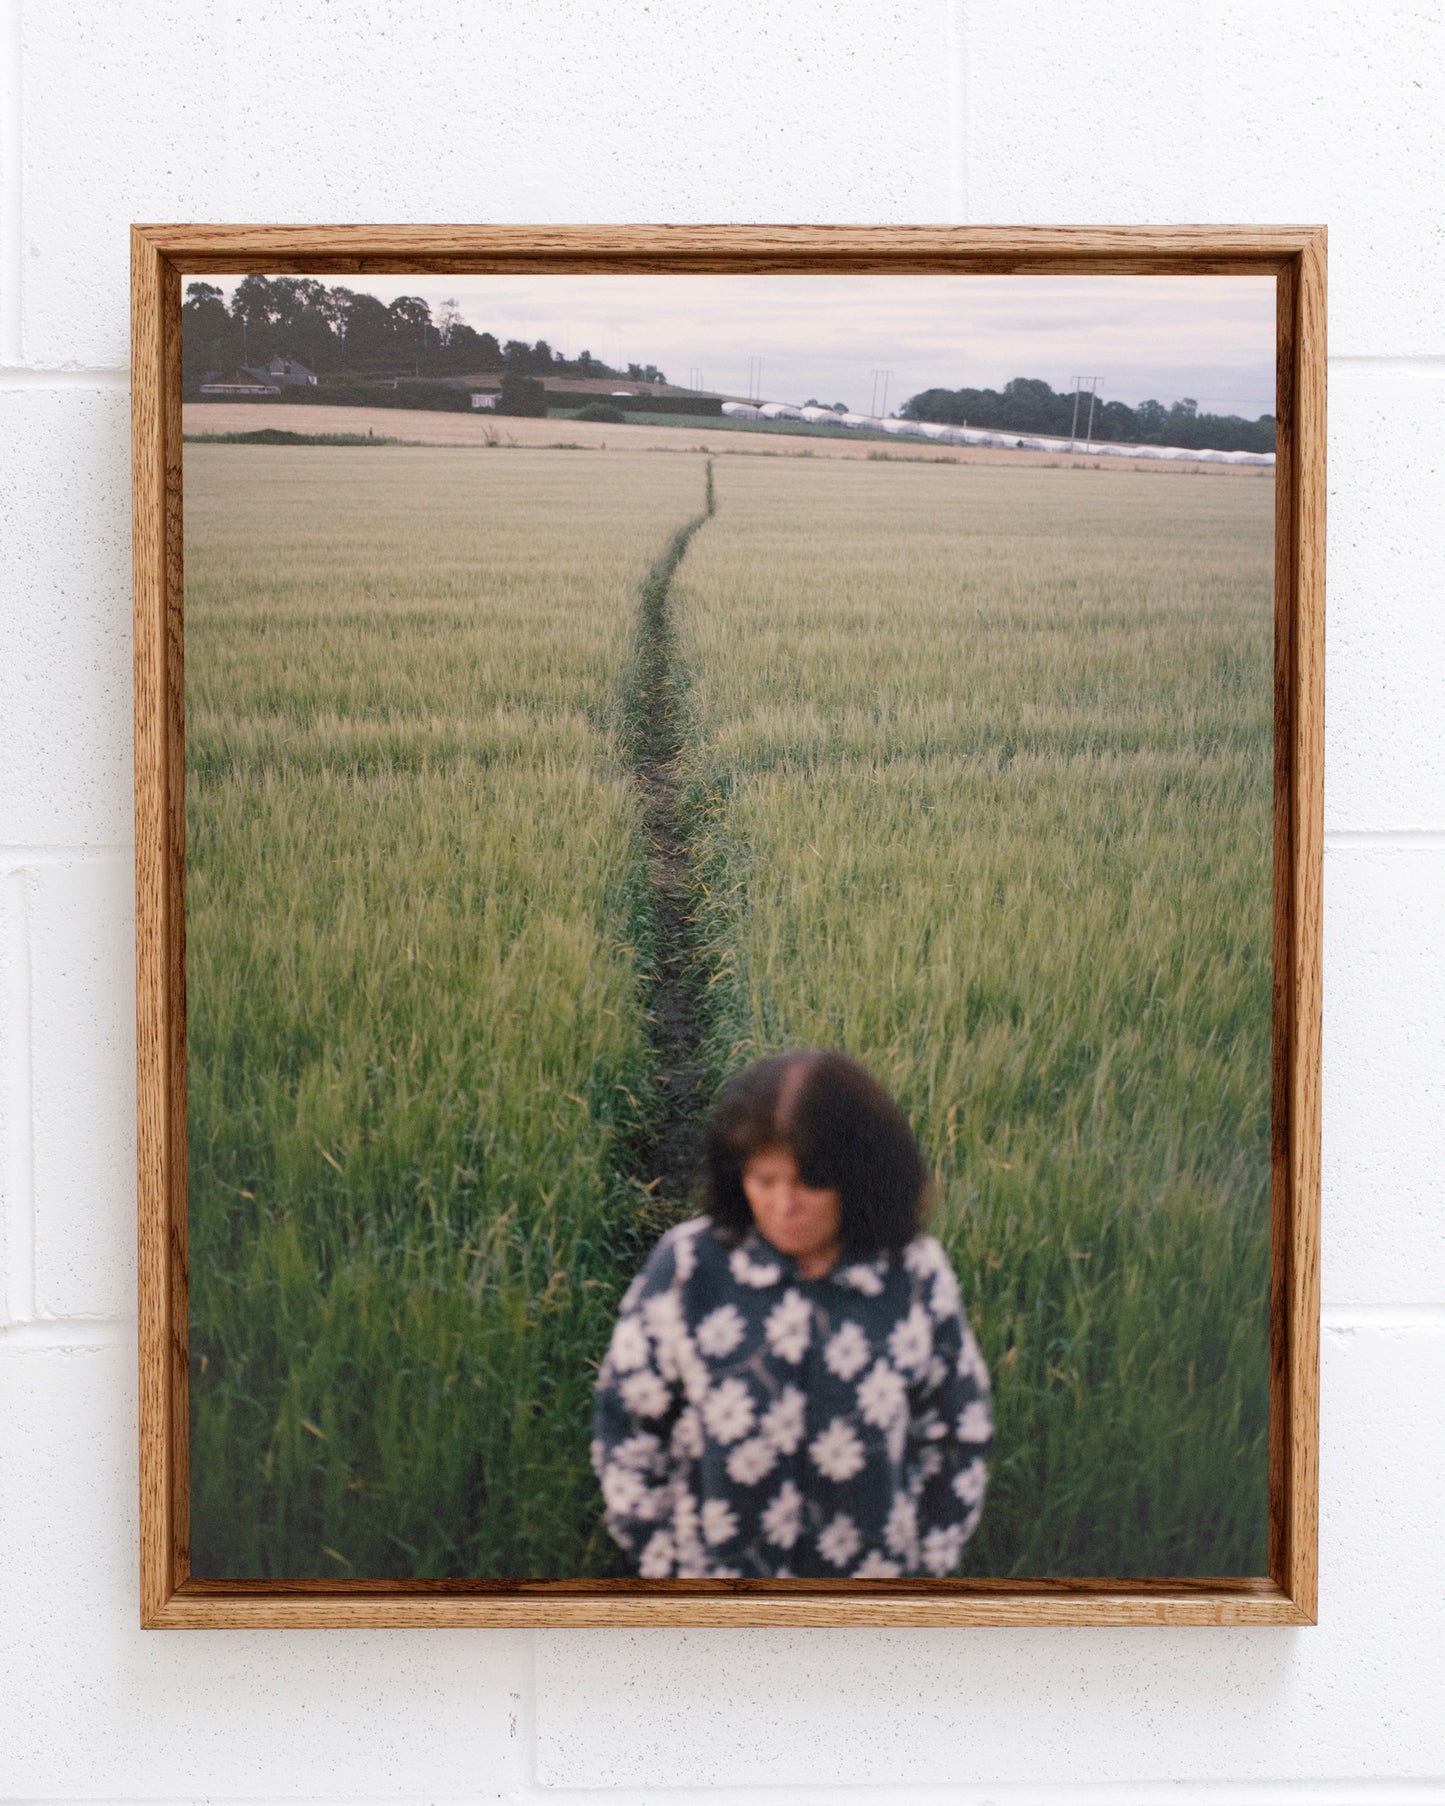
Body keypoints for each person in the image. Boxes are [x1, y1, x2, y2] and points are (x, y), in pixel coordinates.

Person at [591, 1047, 993, 1578]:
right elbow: (626, 1421)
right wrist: (663, 1561)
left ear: (859, 1174)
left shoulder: (914, 1273)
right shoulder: (689, 1266)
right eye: (764, 1180)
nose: (784, 1205)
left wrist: (925, 1567)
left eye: (809, 1182)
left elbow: (958, 1430)